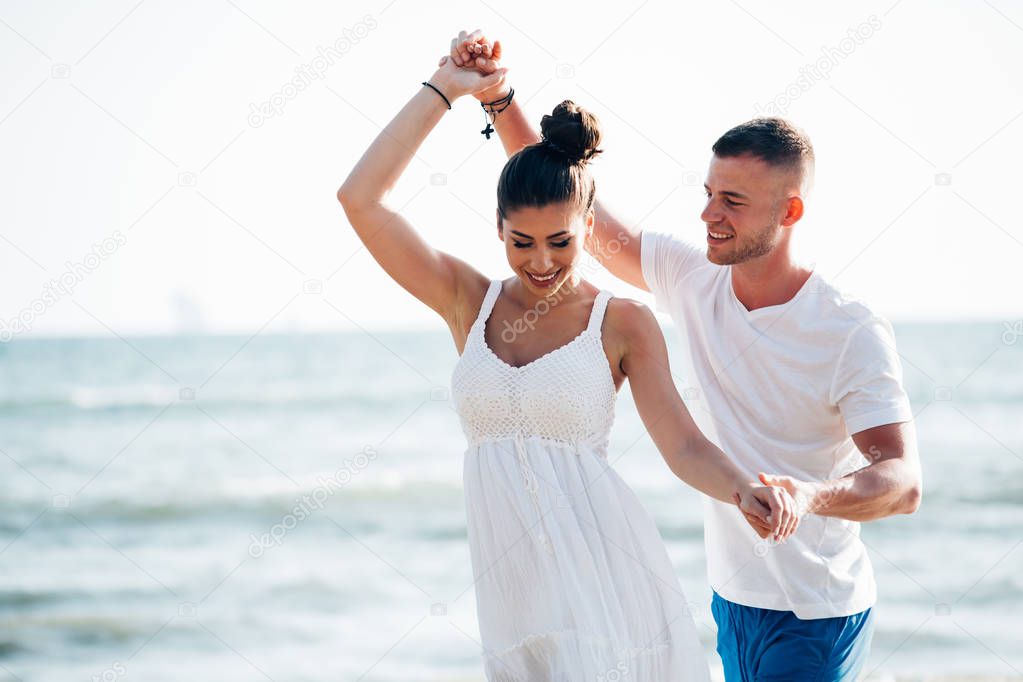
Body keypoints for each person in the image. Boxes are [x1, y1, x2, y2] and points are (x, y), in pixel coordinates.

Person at [448, 28, 923, 682]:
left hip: (817, 612)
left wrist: (809, 498)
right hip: (731, 599)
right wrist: (498, 100)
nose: (707, 215)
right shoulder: (692, 277)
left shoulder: (846, 328)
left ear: (789, 211)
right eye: (707, 192)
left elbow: (900, 482)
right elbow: (577, 209)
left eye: (732, 201)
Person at [337, 53, 800, 680]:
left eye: (562, 241)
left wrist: (743, 487)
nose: (542, 261)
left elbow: (685, 444)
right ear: (498, 227)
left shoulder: (621, 322)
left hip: (607, 582)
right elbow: (359, 199)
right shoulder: (467, 301)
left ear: (587, 226)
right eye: (521, 242)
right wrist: (445, 87)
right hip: (513, 595)